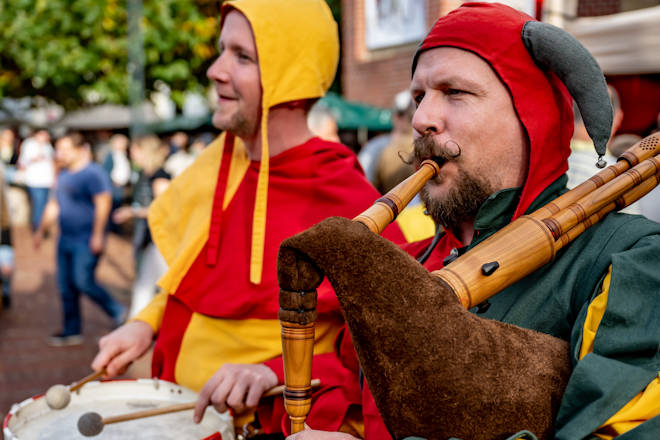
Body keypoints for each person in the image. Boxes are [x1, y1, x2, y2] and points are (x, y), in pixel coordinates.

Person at [272, 3, 660, 439]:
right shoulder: (410, 266)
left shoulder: (628, 259)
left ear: (530, 117)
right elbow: (353, 393)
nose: (421, 120)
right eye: (419, 97)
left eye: (455, 92)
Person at [91, 0, 403, 432]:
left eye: (242, 57)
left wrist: (276, 370)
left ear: (288, 75)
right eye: (222, 51)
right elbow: (195, 275)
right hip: (177, 418)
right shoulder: (217, 163)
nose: (215, 70)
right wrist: (145, 323)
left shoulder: (343, 194)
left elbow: (388, 350)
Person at [34, 132, 125, 346]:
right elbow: (54, 205)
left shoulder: (93, 173)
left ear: (80, 149)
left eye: (65, 149)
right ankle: (71, 329)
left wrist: (97, 235)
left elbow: (103, 203)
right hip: (65, 238)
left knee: (83, 281)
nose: (60, 153)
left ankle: (117, 310)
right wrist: (40, 231)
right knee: (66, 286)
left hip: (85, 239)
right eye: (59, 149)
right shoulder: (63, 174)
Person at [112, 135, 171, 318]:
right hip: (147, 238)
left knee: (162, 287)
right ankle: (137, 322)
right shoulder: (144, 174)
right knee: (144, 287)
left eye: (135, 150)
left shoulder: (160, 176)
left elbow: (164, 208)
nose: (132, 155)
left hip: (159, 241)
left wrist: (132, 212)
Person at [17, 129, 55, 231]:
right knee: (39, 204)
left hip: (47, 181)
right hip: (34, 181)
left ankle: (41, 226)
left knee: (44, 204)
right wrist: (35, 157)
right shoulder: (29, 144)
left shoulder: (48, 147)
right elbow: (22, 162)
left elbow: (52, 163)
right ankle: (38, 228)